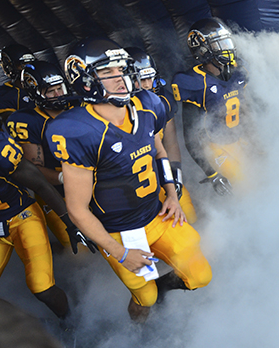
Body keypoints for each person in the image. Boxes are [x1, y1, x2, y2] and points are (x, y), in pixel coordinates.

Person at [48, 37, 212, 322]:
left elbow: (159, 150)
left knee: (200, 275)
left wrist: (171, 194)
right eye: (107, 72)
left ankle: (159, 290)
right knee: (143, 299)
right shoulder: (78, 130)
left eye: (121, 70)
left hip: (156, 214)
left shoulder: (147, 105)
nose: (120, 79)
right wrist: (120, 252)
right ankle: (139, 330)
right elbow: (77, 208)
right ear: (84, 80)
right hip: (119, 231)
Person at [0, 87, 94, 326]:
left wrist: (70, 224)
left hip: (20, 218)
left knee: (41, 287)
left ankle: (72, 323)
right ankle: (21, 326)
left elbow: (41, 185)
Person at [5, 61, 80, 251]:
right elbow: (34, 171)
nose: (58, 95)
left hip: (92, 182)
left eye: (59, 88)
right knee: (81, 248)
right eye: (50, 91)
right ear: (35, 93)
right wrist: (66, 177)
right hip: (56, 192)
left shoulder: (80, 107)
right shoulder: (26, 121)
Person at [172, 18, 248, 195]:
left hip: (238, 139)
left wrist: (254, 140)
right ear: (203, 49)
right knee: (246, 189)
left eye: (227, 41)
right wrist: (212, 173)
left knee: (265, 177)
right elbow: (191, 136)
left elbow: (245, 109)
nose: (227, 47)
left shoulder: (237, 70)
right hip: (216, 146)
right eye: (219, 44)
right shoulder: (195, 82)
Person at [125, 47, 198, 224]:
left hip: (160, 174)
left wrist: (176, 178)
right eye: (142, 80)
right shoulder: (119, 111)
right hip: (133, 183)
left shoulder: (162, 101)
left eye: (150, 77)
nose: (148, 84)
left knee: (190, 217)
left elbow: (170, 144)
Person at [0, 44, 36, 123]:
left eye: (31, 63)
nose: (28, 68)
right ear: (9, 67)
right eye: (22, 65)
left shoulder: (43, 87)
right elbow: (11, 123)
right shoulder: (1, 94)